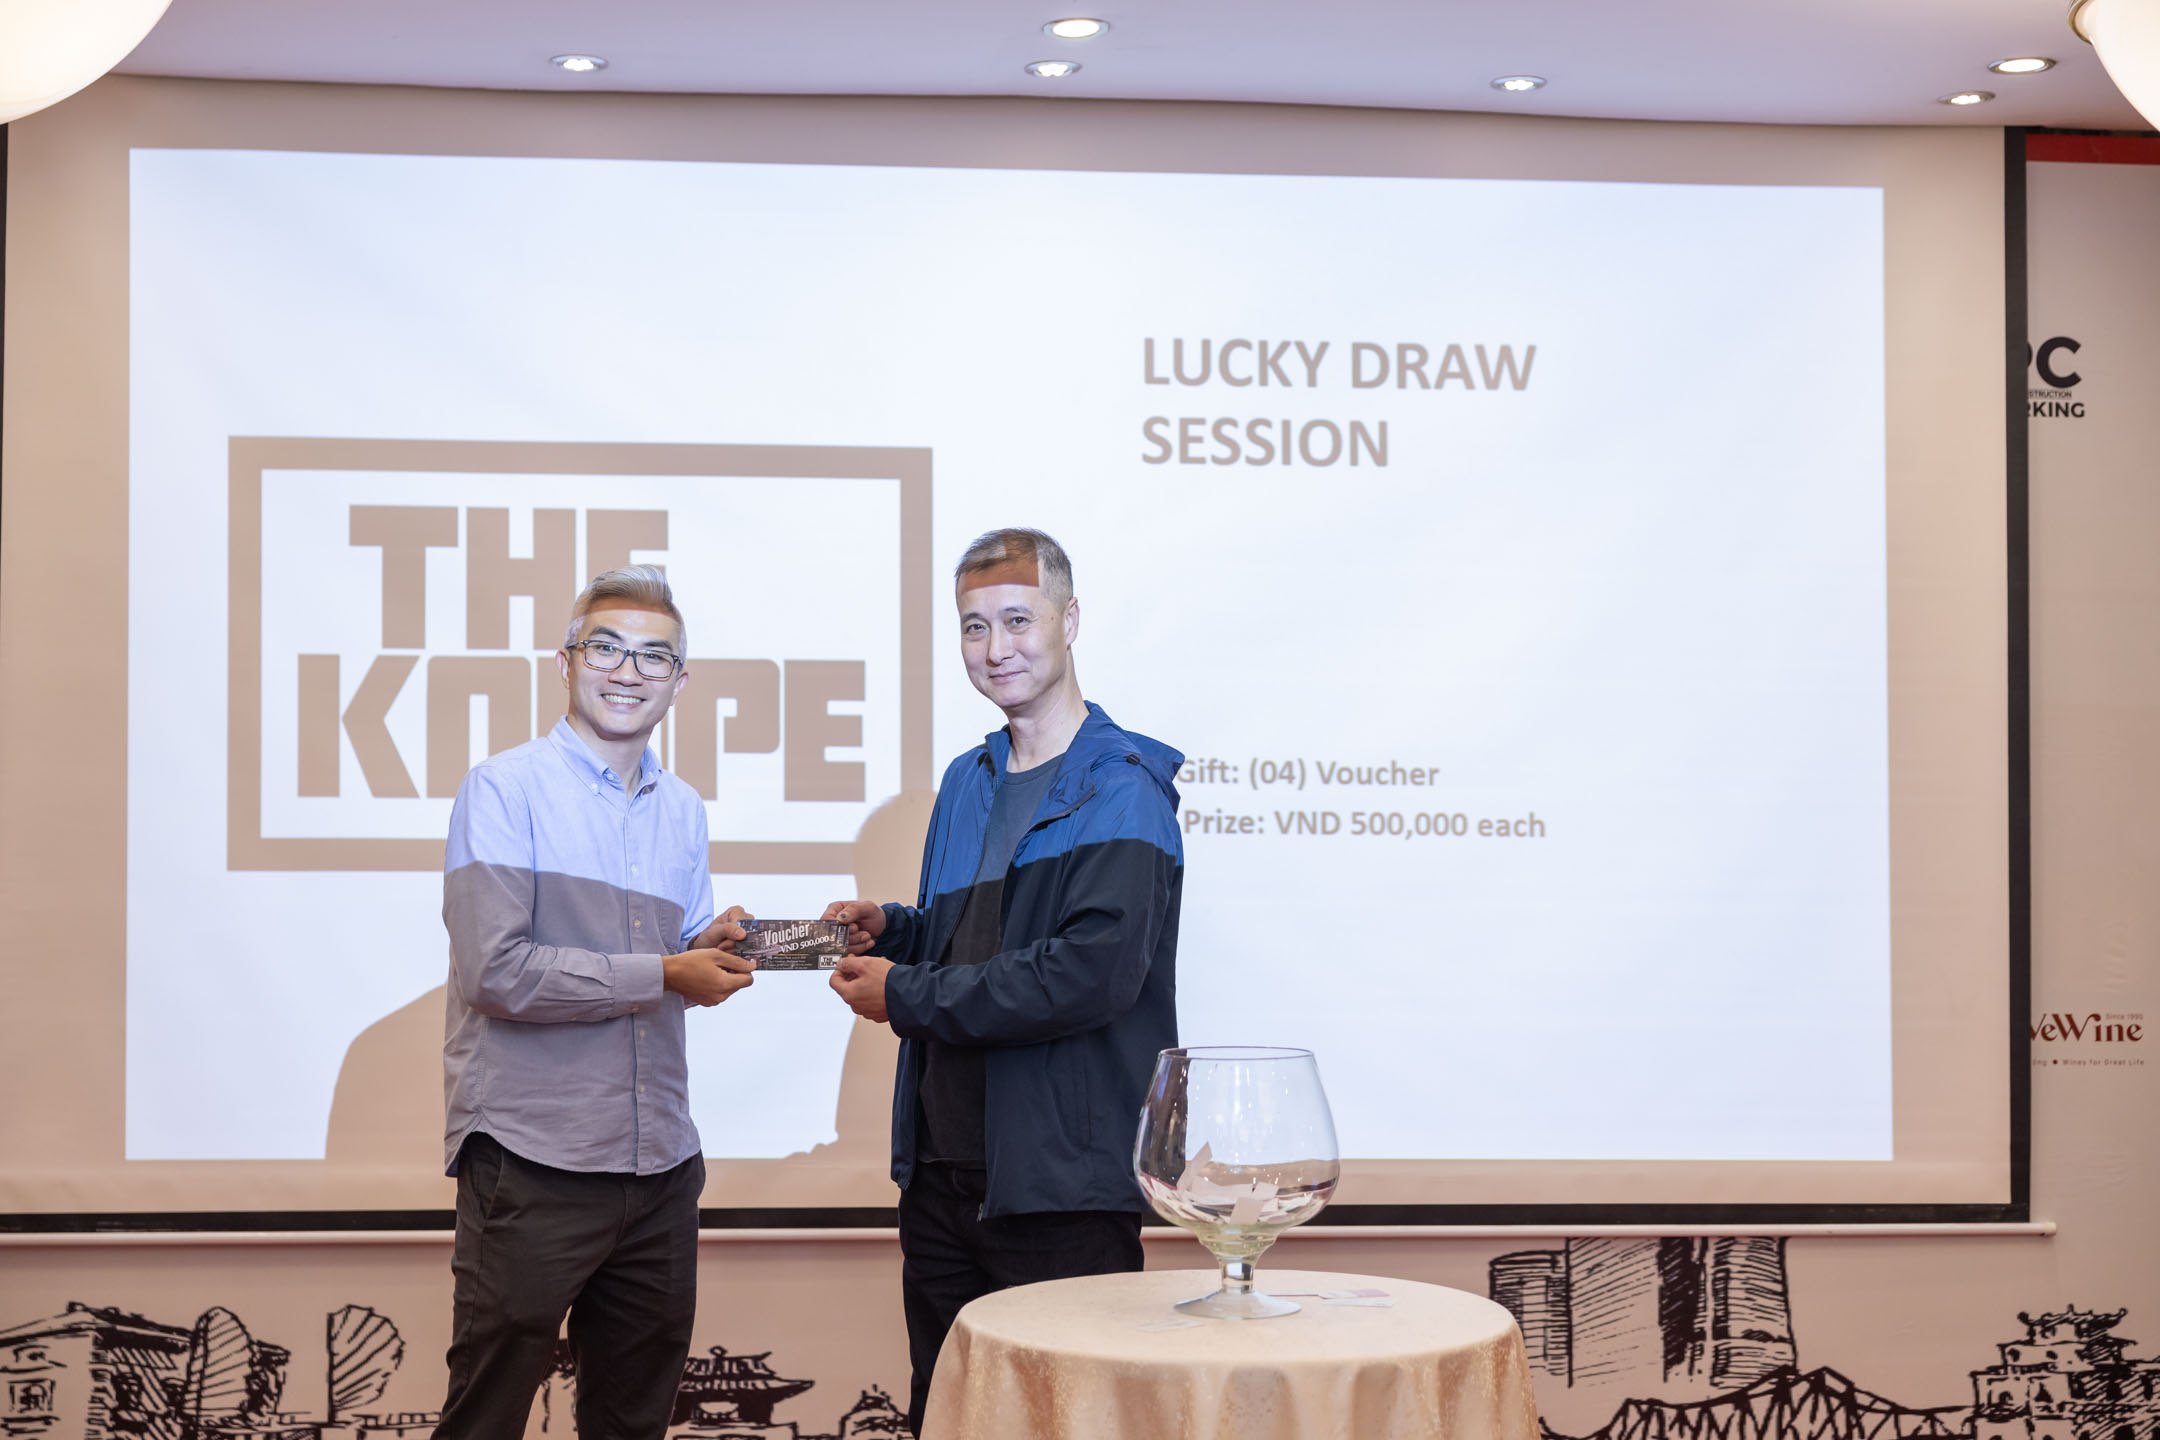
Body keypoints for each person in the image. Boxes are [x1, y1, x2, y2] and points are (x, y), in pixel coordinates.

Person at [822, 528, 1184, 1434]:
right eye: (974, 626)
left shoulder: (1123, 788)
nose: (996, 648)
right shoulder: (969, 778)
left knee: (1070, 1424)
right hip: (942, 1181)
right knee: (944, 1417)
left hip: (1060, 1192)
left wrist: (904, 994)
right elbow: (976, 940)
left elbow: (1088, 975)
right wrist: (897, 930)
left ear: (1070, 620)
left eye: (1018, 620)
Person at [435, 565, 755, 1440]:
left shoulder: (682, 809)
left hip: (662, 1166)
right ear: (566, 662)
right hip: (533, 1161)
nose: (628, 671)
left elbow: (676, 961)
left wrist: (712, 950)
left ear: (679, 682)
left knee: (632, 1421)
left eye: (654, 657)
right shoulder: (503, 789)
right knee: (486, 1418)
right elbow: (497, 973)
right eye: (606, 648)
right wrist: (667, 973)